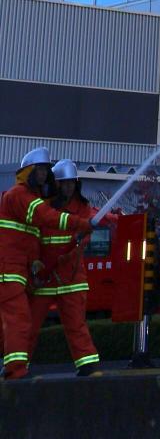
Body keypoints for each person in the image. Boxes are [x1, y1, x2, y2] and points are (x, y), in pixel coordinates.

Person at [0, 147, 91, 381]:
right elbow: (46, 217)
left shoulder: (29, 198)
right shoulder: (19, 196)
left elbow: (30, 241)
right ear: (28, 171)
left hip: (22, 273)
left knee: (20, 321)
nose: (43, 175)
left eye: (45, 171)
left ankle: (13, 367)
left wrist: (36, 263)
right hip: (9, 272)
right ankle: (16, 370)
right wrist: (79, 223)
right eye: (39, 170)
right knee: (20, 321)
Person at [28, 159, 99, 375]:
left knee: (76, 325)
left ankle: (87, 365)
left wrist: (67, 254)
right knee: (29, 324)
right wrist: (36, 266)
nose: (68, 187)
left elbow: (84, 237)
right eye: (64, 183)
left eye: (71, 183)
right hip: (45, 278)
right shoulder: (44, 207)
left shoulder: (83, 208)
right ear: (55, 183)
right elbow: (35, 237)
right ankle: (16, 365)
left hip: (71, 279)